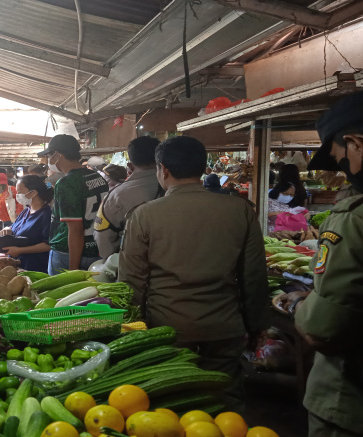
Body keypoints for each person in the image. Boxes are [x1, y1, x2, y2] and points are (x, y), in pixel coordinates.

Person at [118, 136, 269, 412]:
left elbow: (132, 282)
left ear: (162, 169)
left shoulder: (144, 215)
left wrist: (130, 329)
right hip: (224, 326)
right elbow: (254, 276)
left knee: (172, 404)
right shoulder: (239, 211)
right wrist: (256, 323)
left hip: (166, 328)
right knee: (225, 401)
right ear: (202, 168)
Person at [276, 91, 363, 437]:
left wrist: (300, 304)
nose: (339, 171)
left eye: (339, 157)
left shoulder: (353, 219)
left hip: (351, 401)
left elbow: (325, 330)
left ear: (355, 143)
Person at [39, 134, 109, 274]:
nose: (49, 160)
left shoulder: (67, 183)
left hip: (69, 253)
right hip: (96, 250)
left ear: (58, 155)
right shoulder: (97, 177)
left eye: (50, 156)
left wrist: (73, 270)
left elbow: (75, 229)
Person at [94, 136, 163, 260]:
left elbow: (103, 239)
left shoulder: (117, 195)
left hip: (132, 267)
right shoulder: (176, 187)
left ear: (130, 167)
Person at [0, 175, 53, 272]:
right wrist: (9, 229)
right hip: (19, 265)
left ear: (33, 193)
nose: (18, 195)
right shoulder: (27, 210)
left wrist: (19, 250)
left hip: (34, 267)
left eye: (20, 192)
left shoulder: (47, 215)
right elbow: (16, 226)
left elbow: (48, 245)